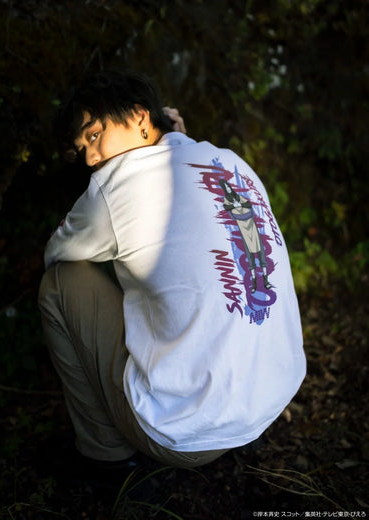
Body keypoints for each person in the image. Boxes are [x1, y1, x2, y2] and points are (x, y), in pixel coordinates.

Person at [38, 70, 306, 476]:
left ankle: (107, 460)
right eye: (81, 149)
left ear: (140, 117)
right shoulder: (230, 162)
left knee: (61, 283)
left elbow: (56, 253)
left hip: (186, 434)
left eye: (93, 136)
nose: (90, 158)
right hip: (271, 400)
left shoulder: (115, 185)